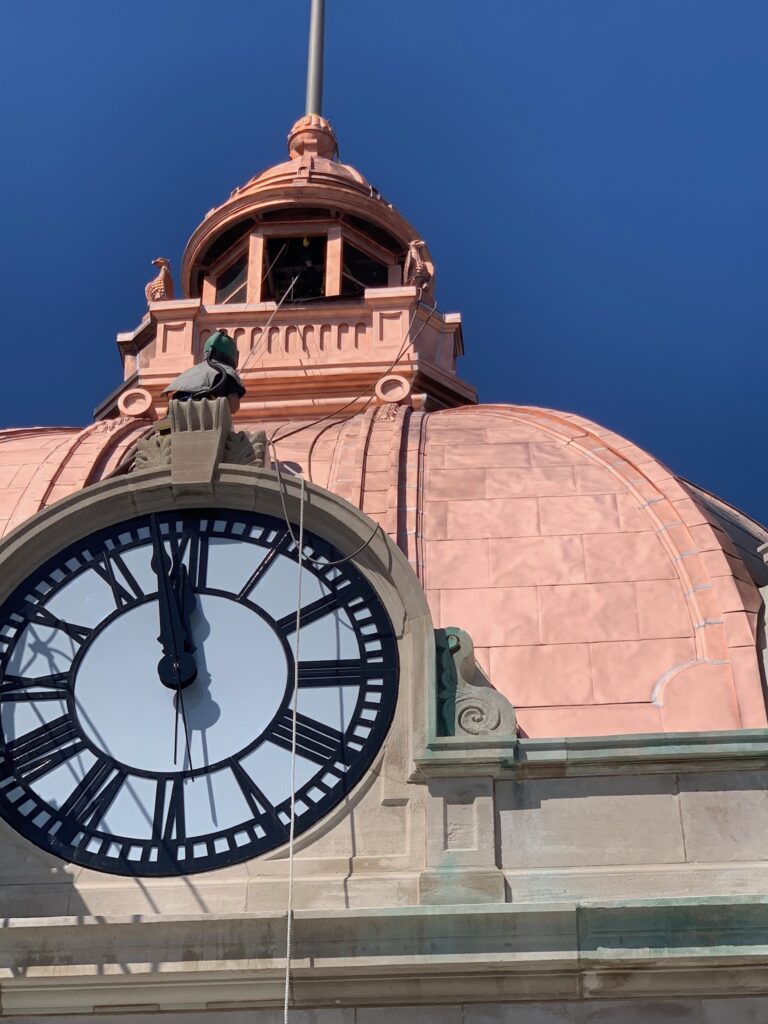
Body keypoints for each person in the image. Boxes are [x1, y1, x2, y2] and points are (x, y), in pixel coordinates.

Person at [163, 330, 246, 412]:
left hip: (177, 423)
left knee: (162, 425)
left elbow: (170, 411)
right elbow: (233, 407)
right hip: (209, 424)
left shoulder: (187, 375)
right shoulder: (227, 375)